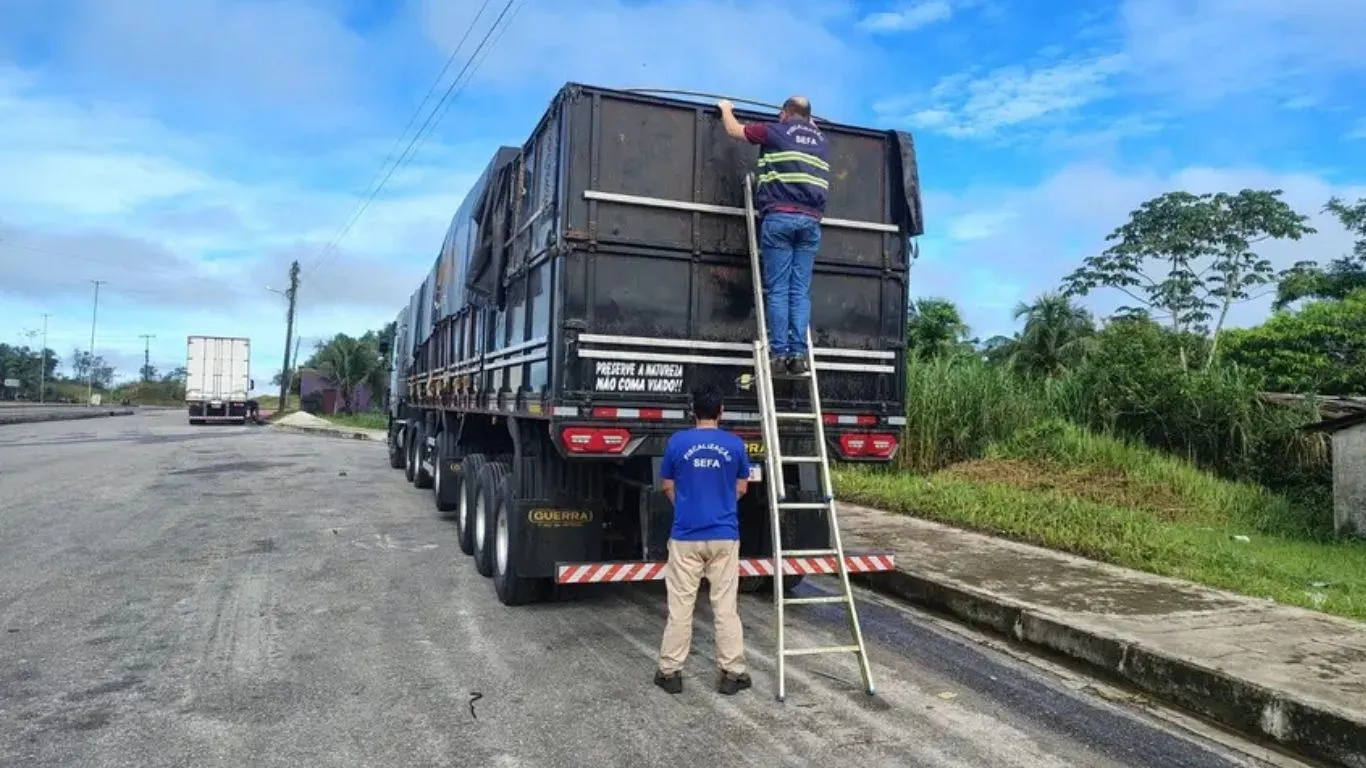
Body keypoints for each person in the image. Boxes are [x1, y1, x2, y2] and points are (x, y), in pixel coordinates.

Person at [718, 95, 831, 376]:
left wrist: (725, 109)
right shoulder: (821, 141)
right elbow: (808, 129)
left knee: (779, 289)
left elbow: (734, 131)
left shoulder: (775, 131)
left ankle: (779, 355)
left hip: (780, 218)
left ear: (783, 113)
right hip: (810, 223)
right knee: (799, 291)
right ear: (808, 117)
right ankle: (798, 355)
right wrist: (807, 123)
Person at [654, 384, 753, 695]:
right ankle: (732, 672)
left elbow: (667, 485)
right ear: (721, 411)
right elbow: (742, 488)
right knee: (725, 606)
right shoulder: (735, 445)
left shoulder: (677, 443)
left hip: (685, 536)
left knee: (681, 606)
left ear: (692, 411)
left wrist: (684, 507)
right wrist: (721, 505)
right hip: (724, 536)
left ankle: (670, 673)